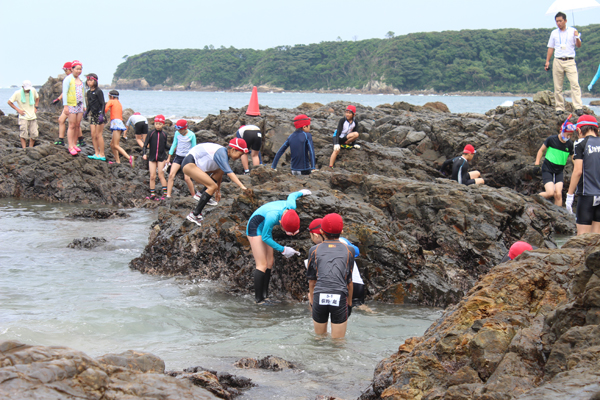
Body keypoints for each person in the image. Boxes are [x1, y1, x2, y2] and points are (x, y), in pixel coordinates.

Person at [246, 189, 310, 304]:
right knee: (262, 264)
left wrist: (302, 192)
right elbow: (265, 237)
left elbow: (292, 195)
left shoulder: (291, 206)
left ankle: (266, 296)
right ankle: (259, 300)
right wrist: (283, 249)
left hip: (265, 228)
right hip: (255, 227)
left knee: (270, 262)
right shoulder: (272, 216)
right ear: (280, 222)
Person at [307, 213, 355, 339]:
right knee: (338, 343)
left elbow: (312, 281)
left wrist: (312, 301)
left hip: (319, 296)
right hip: (339, 297)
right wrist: (349, 304)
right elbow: (349, 281)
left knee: (319, 340)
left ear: (321, 231)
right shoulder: (350, 250)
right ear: (342, 231)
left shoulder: (314, 250)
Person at [183, 139, 249, 226]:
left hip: (197, 164)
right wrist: (242, 186)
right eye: (240, 155)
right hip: (189, 165)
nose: (239, 158)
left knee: (220, 172)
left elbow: (220, 173)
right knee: (212, 187)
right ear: (233, 150)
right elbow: (230, 173)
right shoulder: (221, 153)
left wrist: (218, 191)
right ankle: (194, 215)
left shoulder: (224, 153)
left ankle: (201, 193)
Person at [307, 218, 365, 306]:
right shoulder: (343, 241)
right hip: (358, 284)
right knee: (360, 307)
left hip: (340, 287)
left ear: (316, 235)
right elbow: (356, 252)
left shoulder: (318, 250)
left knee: (312, 298)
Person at [566, 115, 600, 235]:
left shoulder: (580, 144)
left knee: (582, 239)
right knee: (596, 240)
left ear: (579, 130)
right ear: (597, 129)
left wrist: (570, 196)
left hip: (587, 195)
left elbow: (578, 171)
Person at [545, 12, 583, 116]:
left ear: (565, 21)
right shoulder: (554, 33)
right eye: (557, 21)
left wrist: (577, 37)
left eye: (560, 21)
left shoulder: (572, 31)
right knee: (558, 86)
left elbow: (579, 45)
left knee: (574, 83)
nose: (558, 23)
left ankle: (578, 106)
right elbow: (550, 47)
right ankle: (559, 107)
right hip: (558, 60)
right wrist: (547, 61)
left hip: (570, 60)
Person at [534, 118, 575, 206]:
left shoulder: (570, 144)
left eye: (571, 135)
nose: (569, 137)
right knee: (550, 193)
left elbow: (573, 158)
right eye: (568, 134)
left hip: (559, 171)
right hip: (548, 169)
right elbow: (541, 150)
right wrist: (537, 164)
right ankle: (532, 199)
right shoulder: (551, 139)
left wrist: (578, 167)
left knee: (558, 194)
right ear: (562, 131)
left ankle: (558, 215)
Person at [166, 119, 197, 198]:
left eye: (180, 129)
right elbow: (174, 145)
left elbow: (194, 148)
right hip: (178, 157)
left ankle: (194, 195)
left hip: (187, 158)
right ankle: (168, 195)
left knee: (187, 178)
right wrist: (169, 157)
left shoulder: (191, 135)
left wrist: (194, 161)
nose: (179, 131)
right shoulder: (177, 133)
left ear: (185, 128)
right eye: (178, 129)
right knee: (171, 175)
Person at [142, 115, 169, 200]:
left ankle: (165, 194)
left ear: (163, 125)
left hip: (161, 157)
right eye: (156, 123)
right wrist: (144, 154)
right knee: (152, 176)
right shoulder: (151, 133)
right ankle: (152, 195)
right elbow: (145, 145)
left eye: (160, 124)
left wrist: (174, 148)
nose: (158, 125)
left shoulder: (164, 134)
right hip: (152, 157)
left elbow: (165, 146)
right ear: (154, 124)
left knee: (161, 175)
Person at [62, 60, 86, 155]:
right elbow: (65, 93)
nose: (79, 71)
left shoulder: (81, 80)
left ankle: (75, 144)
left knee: (77, 125)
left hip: (80, 105)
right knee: (71, 125)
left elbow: (83, 94)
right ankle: (70, 145)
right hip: (71, 104)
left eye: (80, 69)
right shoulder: (68, 79)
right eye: (77, 69)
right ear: (72, 69)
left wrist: (84, 105)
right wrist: (65, 106)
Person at [105, 90, 134, 166]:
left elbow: (105, 109)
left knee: (116, 145)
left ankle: (129, 158)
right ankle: (117, 161)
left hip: (115, 123)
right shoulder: (119, 103)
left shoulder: (111, 101)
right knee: (112, 144)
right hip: (120, 123)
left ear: (111, 96)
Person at [7, 80, 40, 149]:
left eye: (29, 89)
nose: (28, 90)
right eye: (26, 89)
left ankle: (30, 148)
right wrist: (18, 110)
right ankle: (24, 148)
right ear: (22, 87)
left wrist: (36, 107)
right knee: (23, 134)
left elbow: (37, 98)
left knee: (34, 134)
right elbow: (9, 102)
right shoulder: (17, 93)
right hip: (23, 117)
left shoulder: (33, 90)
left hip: (32, 116)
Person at [85, 73, 106, 161]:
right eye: (88, 80)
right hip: (92, 114)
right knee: (93, 135)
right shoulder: (88, 92)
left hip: (99, 114)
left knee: (98, 135)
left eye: (91, 80)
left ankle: (102, 154)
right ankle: (96, 152)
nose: (89, 82)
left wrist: (102, 114)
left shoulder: (98, 91)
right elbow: (89, 104)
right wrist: (86, 113)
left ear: (95, 81)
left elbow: (102, 104)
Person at [53, 62, 72, 146]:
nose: (65, 71)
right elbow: (64, 92)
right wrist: (58, 99)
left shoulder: (71, 79)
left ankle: (80, 140)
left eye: (65, 69)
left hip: (71, 104)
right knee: (62, 120)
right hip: (69, 104)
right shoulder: (69, 78)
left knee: (73, 124)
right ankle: (61, 139)